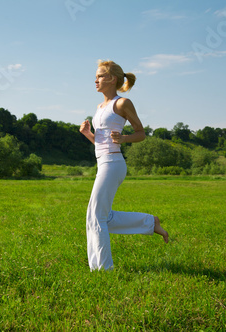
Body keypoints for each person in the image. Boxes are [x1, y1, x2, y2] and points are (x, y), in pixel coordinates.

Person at [79, 60, 169, 271]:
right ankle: (150, 222)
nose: (96, 80)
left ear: (112, 79)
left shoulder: (122, 103)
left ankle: (103, 270)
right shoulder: (100, 106)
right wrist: (88, 134)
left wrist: (124, 138)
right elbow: (101, 142)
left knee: (96, 216)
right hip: (103, 163)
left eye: (100, 76)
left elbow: (141, 133)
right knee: (101, 216)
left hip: (114, 163)